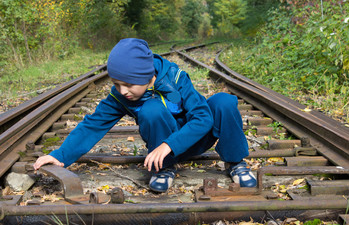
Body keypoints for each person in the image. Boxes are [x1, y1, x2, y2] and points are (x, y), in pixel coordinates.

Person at [33, 38, 257, 193]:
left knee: (224, 101)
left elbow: (203, 117)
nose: (123, 91)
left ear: (148, 75)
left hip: (193, 140)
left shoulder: (175, 78)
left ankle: (235, 162)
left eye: (129, 84)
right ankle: (164, 169)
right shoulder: (122, 96)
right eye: (116, 84)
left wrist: (169, 144)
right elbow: (93, 125)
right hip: (162, 155)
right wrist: (60, 155)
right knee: (151, 109)